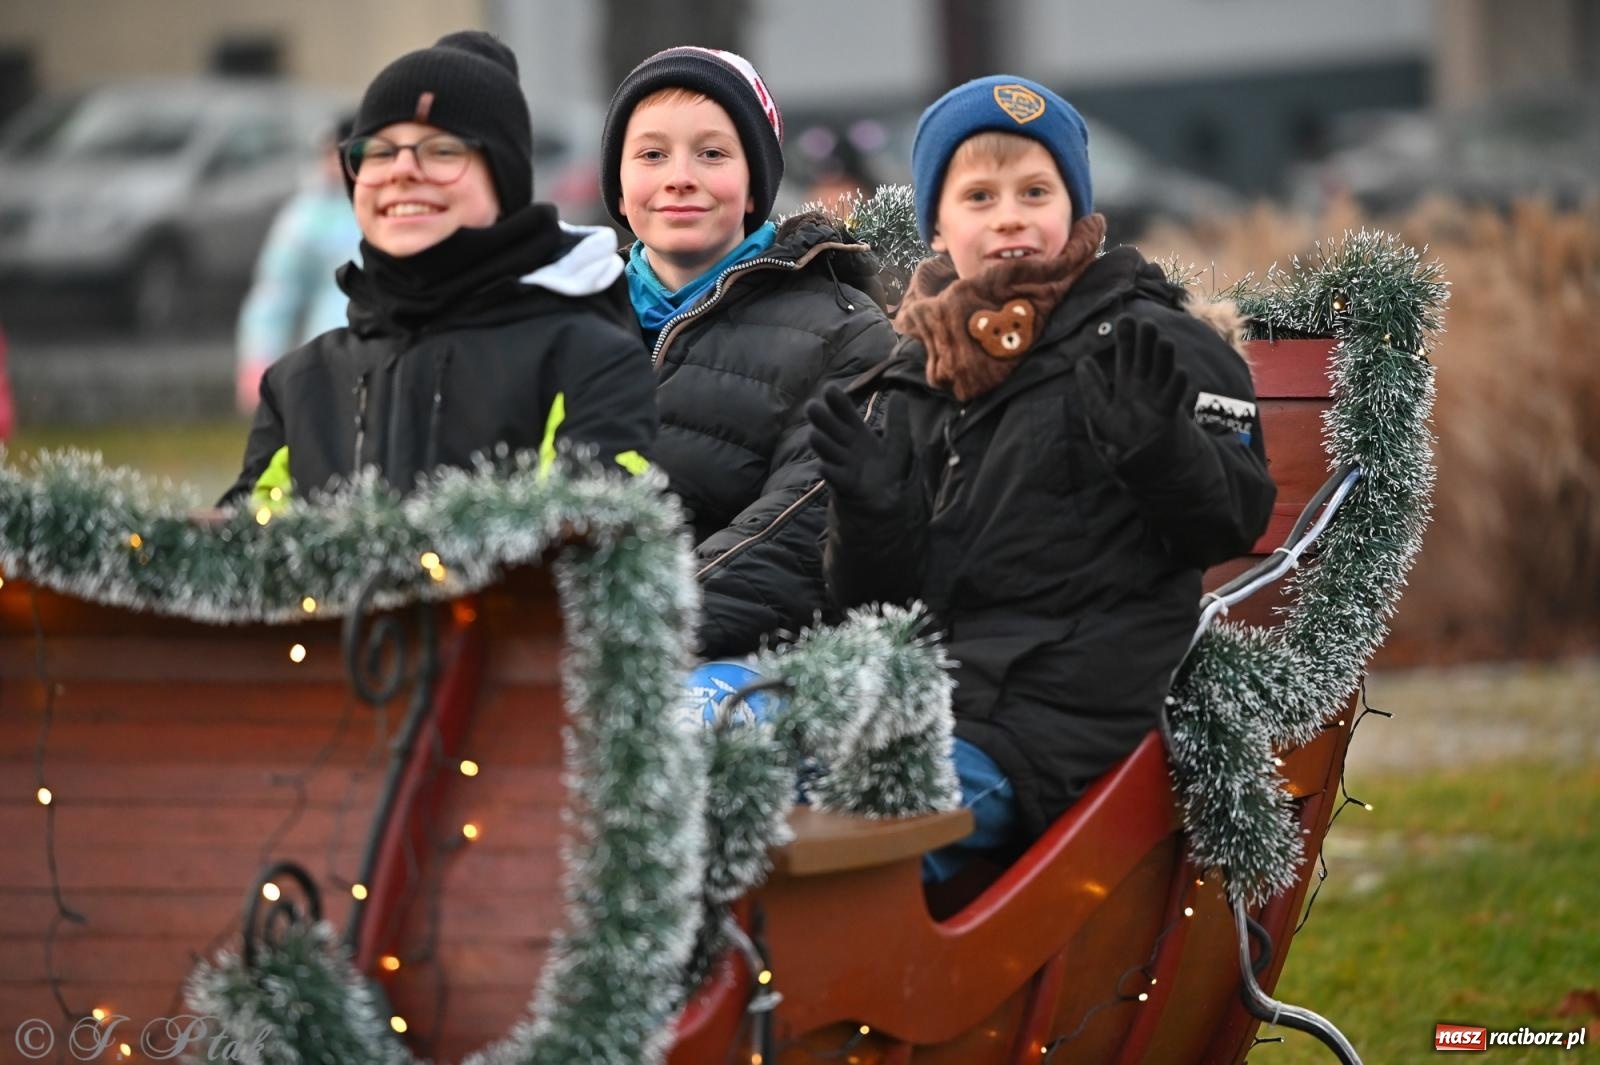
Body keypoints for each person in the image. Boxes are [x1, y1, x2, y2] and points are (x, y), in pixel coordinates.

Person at [806, 75, 1277, 881]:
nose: (1011, 215)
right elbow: (874, 608)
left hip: (1056, 720)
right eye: (980, 196)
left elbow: (1232, 523)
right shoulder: (921, 364)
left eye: (1035, 189)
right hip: (927, 706)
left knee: (831, 851)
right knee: (742, 806)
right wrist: (871, 513)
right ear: (939, 226)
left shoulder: (1151, 343)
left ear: (1076, 204)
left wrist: (1158, 448)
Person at [221, 32, 655, 510]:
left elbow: (583, 552)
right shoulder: (300, 382)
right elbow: (246, 560)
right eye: (380, 151)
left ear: (504, 179)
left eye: (442, 150)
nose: (402, 171)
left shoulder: (587, 359)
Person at [599, 47, 897, 659]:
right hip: (543, 653)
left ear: (755, 186)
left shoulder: (841, 330)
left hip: (735, 668)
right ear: (621, 192)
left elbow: (801, 531)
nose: (680, 176)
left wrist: (630, 634)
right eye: (652, 154)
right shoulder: (562, 321)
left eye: (712, 153)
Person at [234, 114, 363, 414]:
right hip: (332, 360)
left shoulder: (397, 204)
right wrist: (259, 361)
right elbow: (276, 292)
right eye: (330, 152)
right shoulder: (306, 217)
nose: (336, 162)